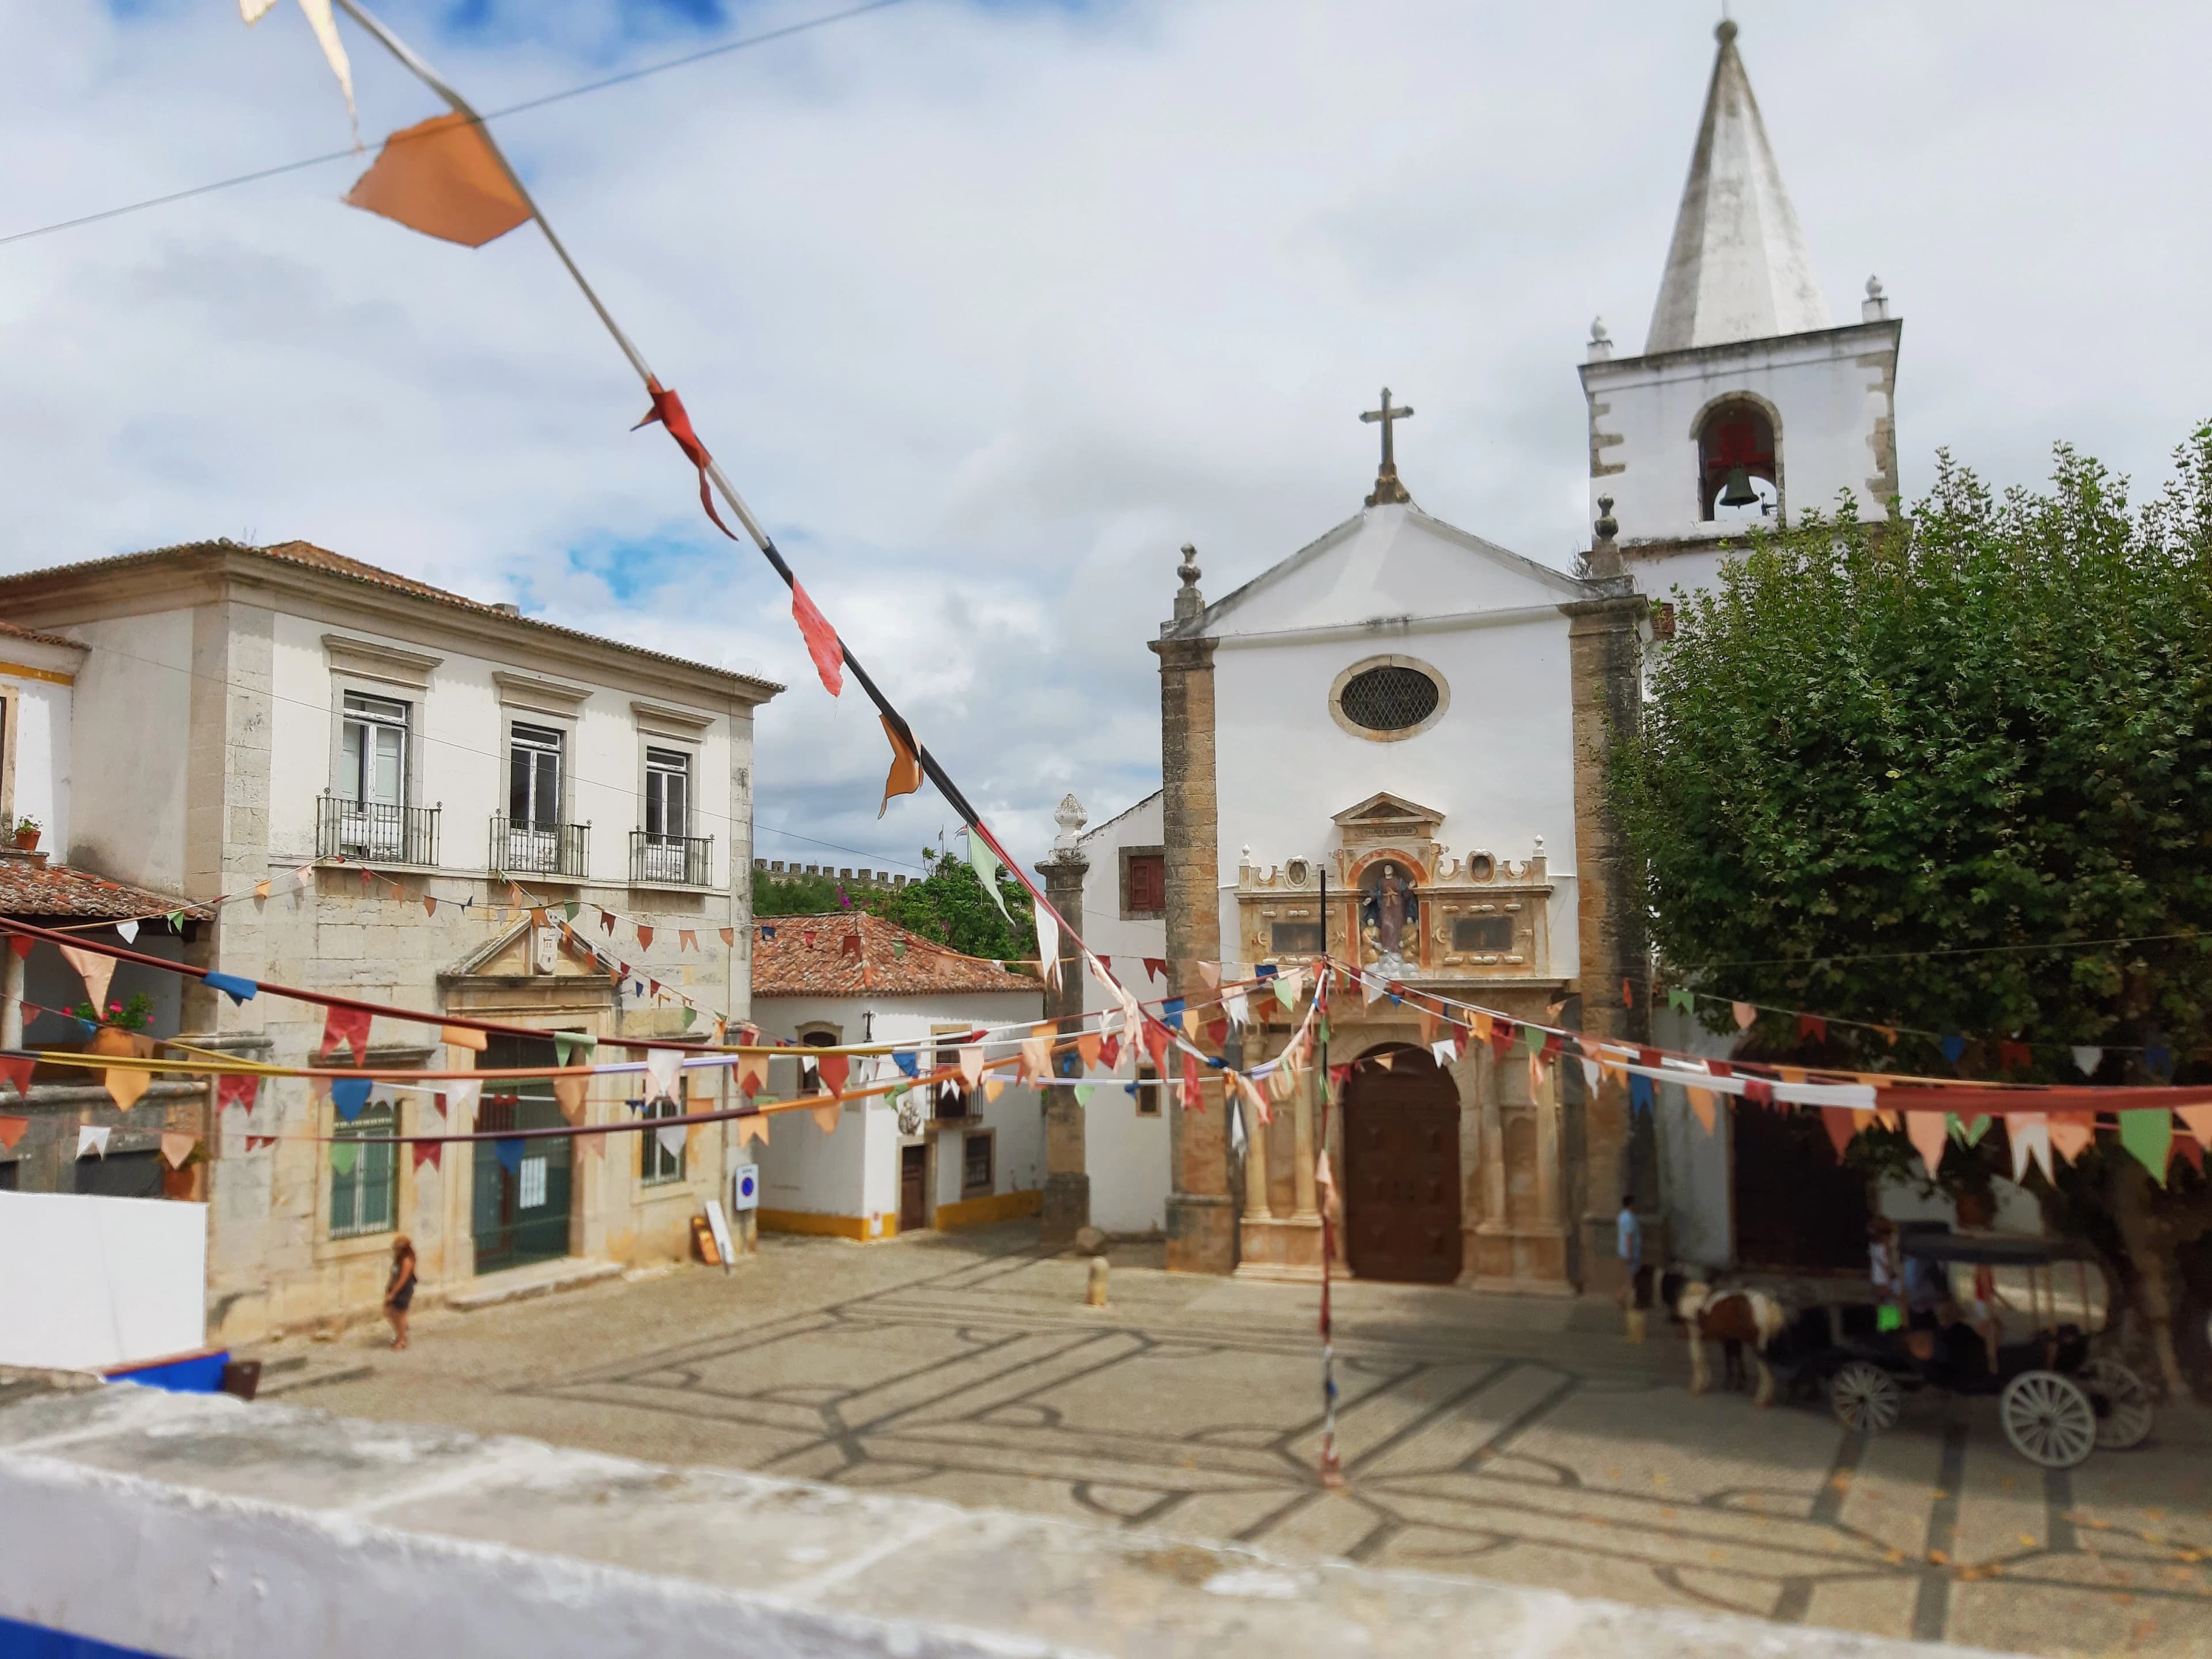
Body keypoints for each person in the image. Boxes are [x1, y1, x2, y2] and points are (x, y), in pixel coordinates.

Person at [384, 1235, 416, 1351]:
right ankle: (400, 1333)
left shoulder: (407, 1261)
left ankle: (402, 1339)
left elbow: (403, 1279)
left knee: (400, 1314)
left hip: (403, 1290)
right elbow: (394, 1274)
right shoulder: (398, 1260)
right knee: (389, 1311)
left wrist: (393, 1293)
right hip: (395, 1288)